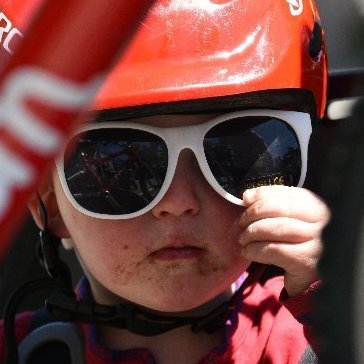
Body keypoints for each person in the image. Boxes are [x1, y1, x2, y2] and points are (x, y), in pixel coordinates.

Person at [0, 1, 330, 363]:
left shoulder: (310, 334)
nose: (179, 199)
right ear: (50, 206)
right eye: (123, 167)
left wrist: (336, 297)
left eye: (233, 153)